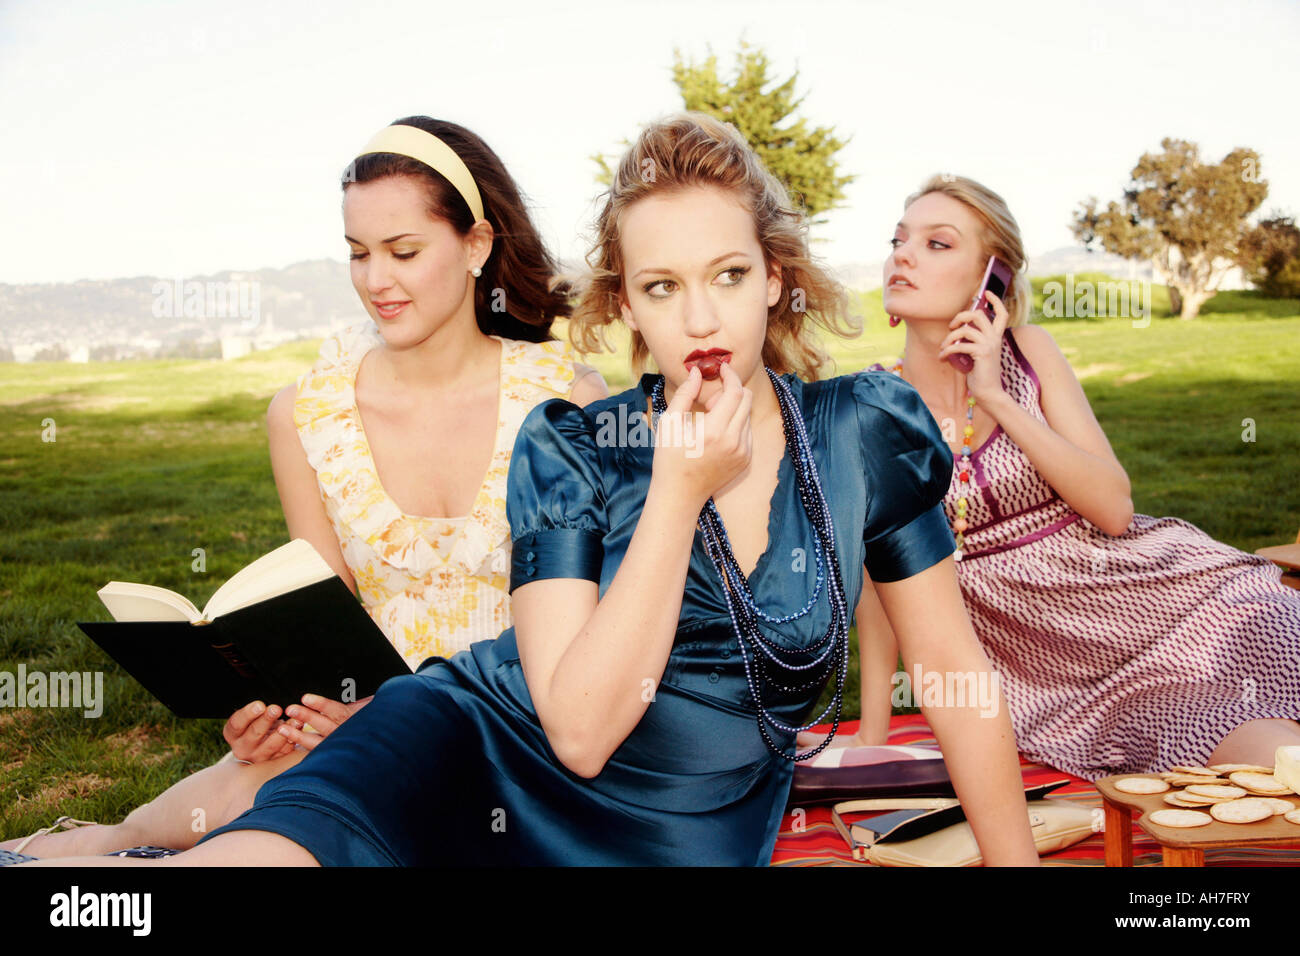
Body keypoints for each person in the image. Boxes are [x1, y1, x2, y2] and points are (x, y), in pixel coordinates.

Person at [26, 114, 1040, 867]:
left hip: (685, 831)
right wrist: (679, 492)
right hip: (467, 731)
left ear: (775, 278)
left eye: (726, 274)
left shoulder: (864, 430)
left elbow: (957, 673)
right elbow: (582, 730)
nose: (697, 318)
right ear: (626, 304)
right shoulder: (573, 447)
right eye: (658, 286)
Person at [3, 116, 607, 860]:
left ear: (477, 245)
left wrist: (401, 713)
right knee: (257, 780)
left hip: (522, 714)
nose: (375, 280)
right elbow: (320, 618)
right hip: (359, 722)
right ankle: (94, 845)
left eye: (403, 251)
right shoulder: (306, 415)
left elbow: (596, 620)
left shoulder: (568, 404)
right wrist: (280, 708)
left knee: (371, 802)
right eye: (357, 253)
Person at [803, 174, 1300, 781]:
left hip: (1170, 597)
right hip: (1051, 670)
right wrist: (874, 738)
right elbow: (881, 582)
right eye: (899, 239)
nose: (902, 255)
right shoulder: (871, 407)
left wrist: (998, 398)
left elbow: (1114, 509)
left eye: (938, 244)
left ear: (993, 280)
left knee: (1277, 637)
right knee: (1261, 754)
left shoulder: (1030, 353)